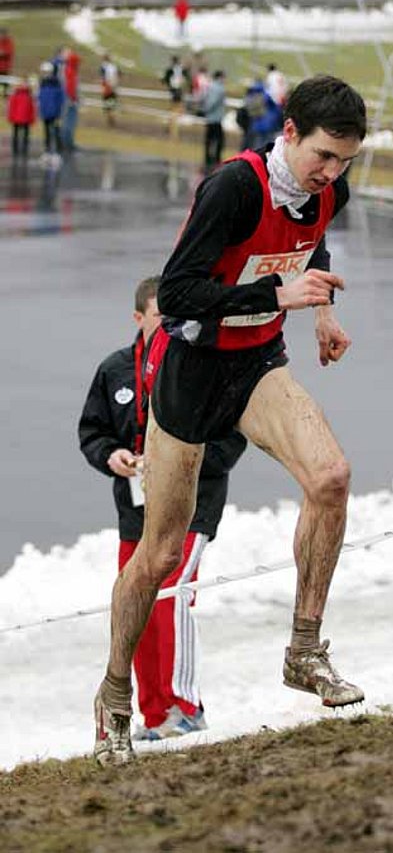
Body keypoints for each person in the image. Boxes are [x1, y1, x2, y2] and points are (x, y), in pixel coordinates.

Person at [93, 74, 367, 766]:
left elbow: (313, 246)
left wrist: (322, 311)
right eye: (323, 157)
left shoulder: (327, 191)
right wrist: (278, 293)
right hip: (192, 371)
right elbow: (178, 294)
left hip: (257, 365)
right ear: (290, 133)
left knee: (331, 477)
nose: (331, 174)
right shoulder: (234, 188)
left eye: (344, 162)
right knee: (161, 553)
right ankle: (115, 696)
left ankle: (304, 650)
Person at [79, 277, 247, 741]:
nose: (169, 324)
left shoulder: (208, 364)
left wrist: (181, 464)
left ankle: (186, 707)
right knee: (135, 604)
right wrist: (112, 456)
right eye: (160, 316)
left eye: (177, 315)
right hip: (137, 510)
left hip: (193, 505)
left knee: (172, 596)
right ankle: (155, 716)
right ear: (139, 318)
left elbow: (233, 438)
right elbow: (92, 432)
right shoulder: (115, 369)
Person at [37, 61, 64, 166]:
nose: (45, 74)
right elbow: (40, 98)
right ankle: (47, 152)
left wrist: (59, 112)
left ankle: (57, 152)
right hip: (45, 112)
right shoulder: (42, 83)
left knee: (55, 132)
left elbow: (60, 99)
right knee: (46, 132)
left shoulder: (56, 83)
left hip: (54, 112)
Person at [202, 69, 226, 171]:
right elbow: (213, 102)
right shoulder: (219, 88)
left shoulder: (209, 86)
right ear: (219, 77)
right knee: (218, 139)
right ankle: (216, 158)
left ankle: (207, 157)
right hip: (216, 119)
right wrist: (207, 109)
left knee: (209, 139)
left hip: (210, 118)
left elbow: (204, 98)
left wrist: (204, 110)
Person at [7, 77, 36, 158]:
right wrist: (11, 117)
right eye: (23, 83)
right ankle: (15, 149)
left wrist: (32, 118)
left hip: (26, 119)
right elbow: (12, 107)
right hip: (17, 118)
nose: (24, 85)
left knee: (25, 135)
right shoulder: (15, 95)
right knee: (16, 134)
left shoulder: (29, 95)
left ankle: (24, 149)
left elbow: (32, 108)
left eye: (25, 83)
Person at [59, 46, 80, 152]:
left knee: (67, 121)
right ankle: (67, 143)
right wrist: (73, 99)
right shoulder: (69, 69)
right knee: (69, 121)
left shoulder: (66, 68)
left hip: (68, 98)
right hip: (69, 99)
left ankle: (66, 142)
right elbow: (70, 86)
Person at [100, 54, 119, 126]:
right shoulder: (114, 67)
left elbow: (103, 78)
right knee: (112, 104)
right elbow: (117, 76)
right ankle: (112, 118)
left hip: (107, 87)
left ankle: (110, 119)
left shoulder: (104, 66)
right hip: (113, 87)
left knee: (107, 105)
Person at [0, 28, 14, 98]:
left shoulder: (9, 42)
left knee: (5, 83)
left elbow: (9, 52)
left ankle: (5, 95)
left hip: (5, 67)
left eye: (3, 34)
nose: (2, 36)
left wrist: (2, 53)